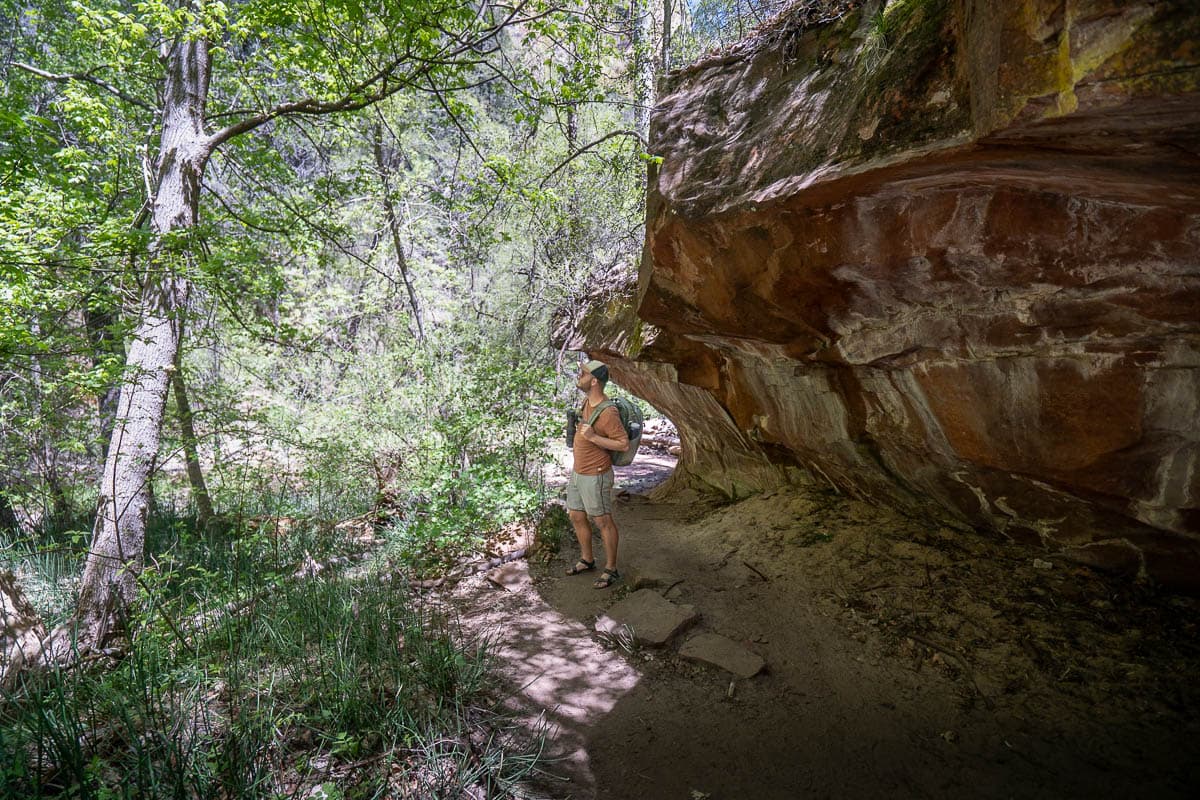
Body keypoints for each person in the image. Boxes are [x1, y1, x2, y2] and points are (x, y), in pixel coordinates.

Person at [565, 359, 629, 589]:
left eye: (582, 373)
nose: (578, 376)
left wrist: (593, 437)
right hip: (578, 472)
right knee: (576, 515)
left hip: (596, 474)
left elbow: (622, 444)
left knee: (602, 521)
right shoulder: (587, 402)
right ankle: (587, 559)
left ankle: (611, 569)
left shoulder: (608, 410)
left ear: (593, 381)